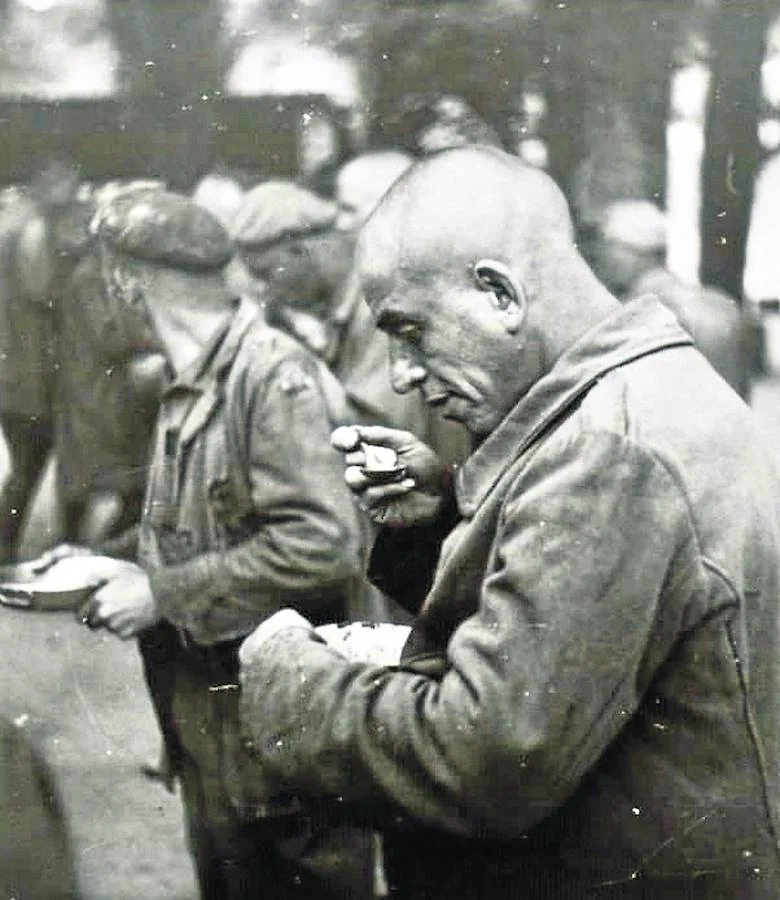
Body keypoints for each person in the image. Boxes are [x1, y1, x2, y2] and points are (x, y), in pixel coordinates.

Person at [237, 147, 780, 898]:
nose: (400, 373)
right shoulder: (643, 395)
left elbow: (485, 757)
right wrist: (440, 529)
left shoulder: (608, 450)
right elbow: (591, 639)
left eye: (410, 330)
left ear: (499, 293)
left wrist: (286, 680)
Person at [82, 190, 365, 899]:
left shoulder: (270, 377)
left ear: (125, 281)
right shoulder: (199, 375)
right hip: (220, 729)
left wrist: (162, 593)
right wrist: (109, 559)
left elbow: (323, 544)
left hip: (280, 741)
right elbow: (210, 521)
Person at [585, 198, 751, 399]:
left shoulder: (637, 311)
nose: (599, 257)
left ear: (632, 251)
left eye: (608, 245)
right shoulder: (722, 304)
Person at [0, 160, 79, 561]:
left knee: (26, 465)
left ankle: (8, 547)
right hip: (30, 371)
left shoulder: (11, 219)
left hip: (12, 367)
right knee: (32, 465)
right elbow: (42, 289)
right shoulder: (32, 227)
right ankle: (7, 549)